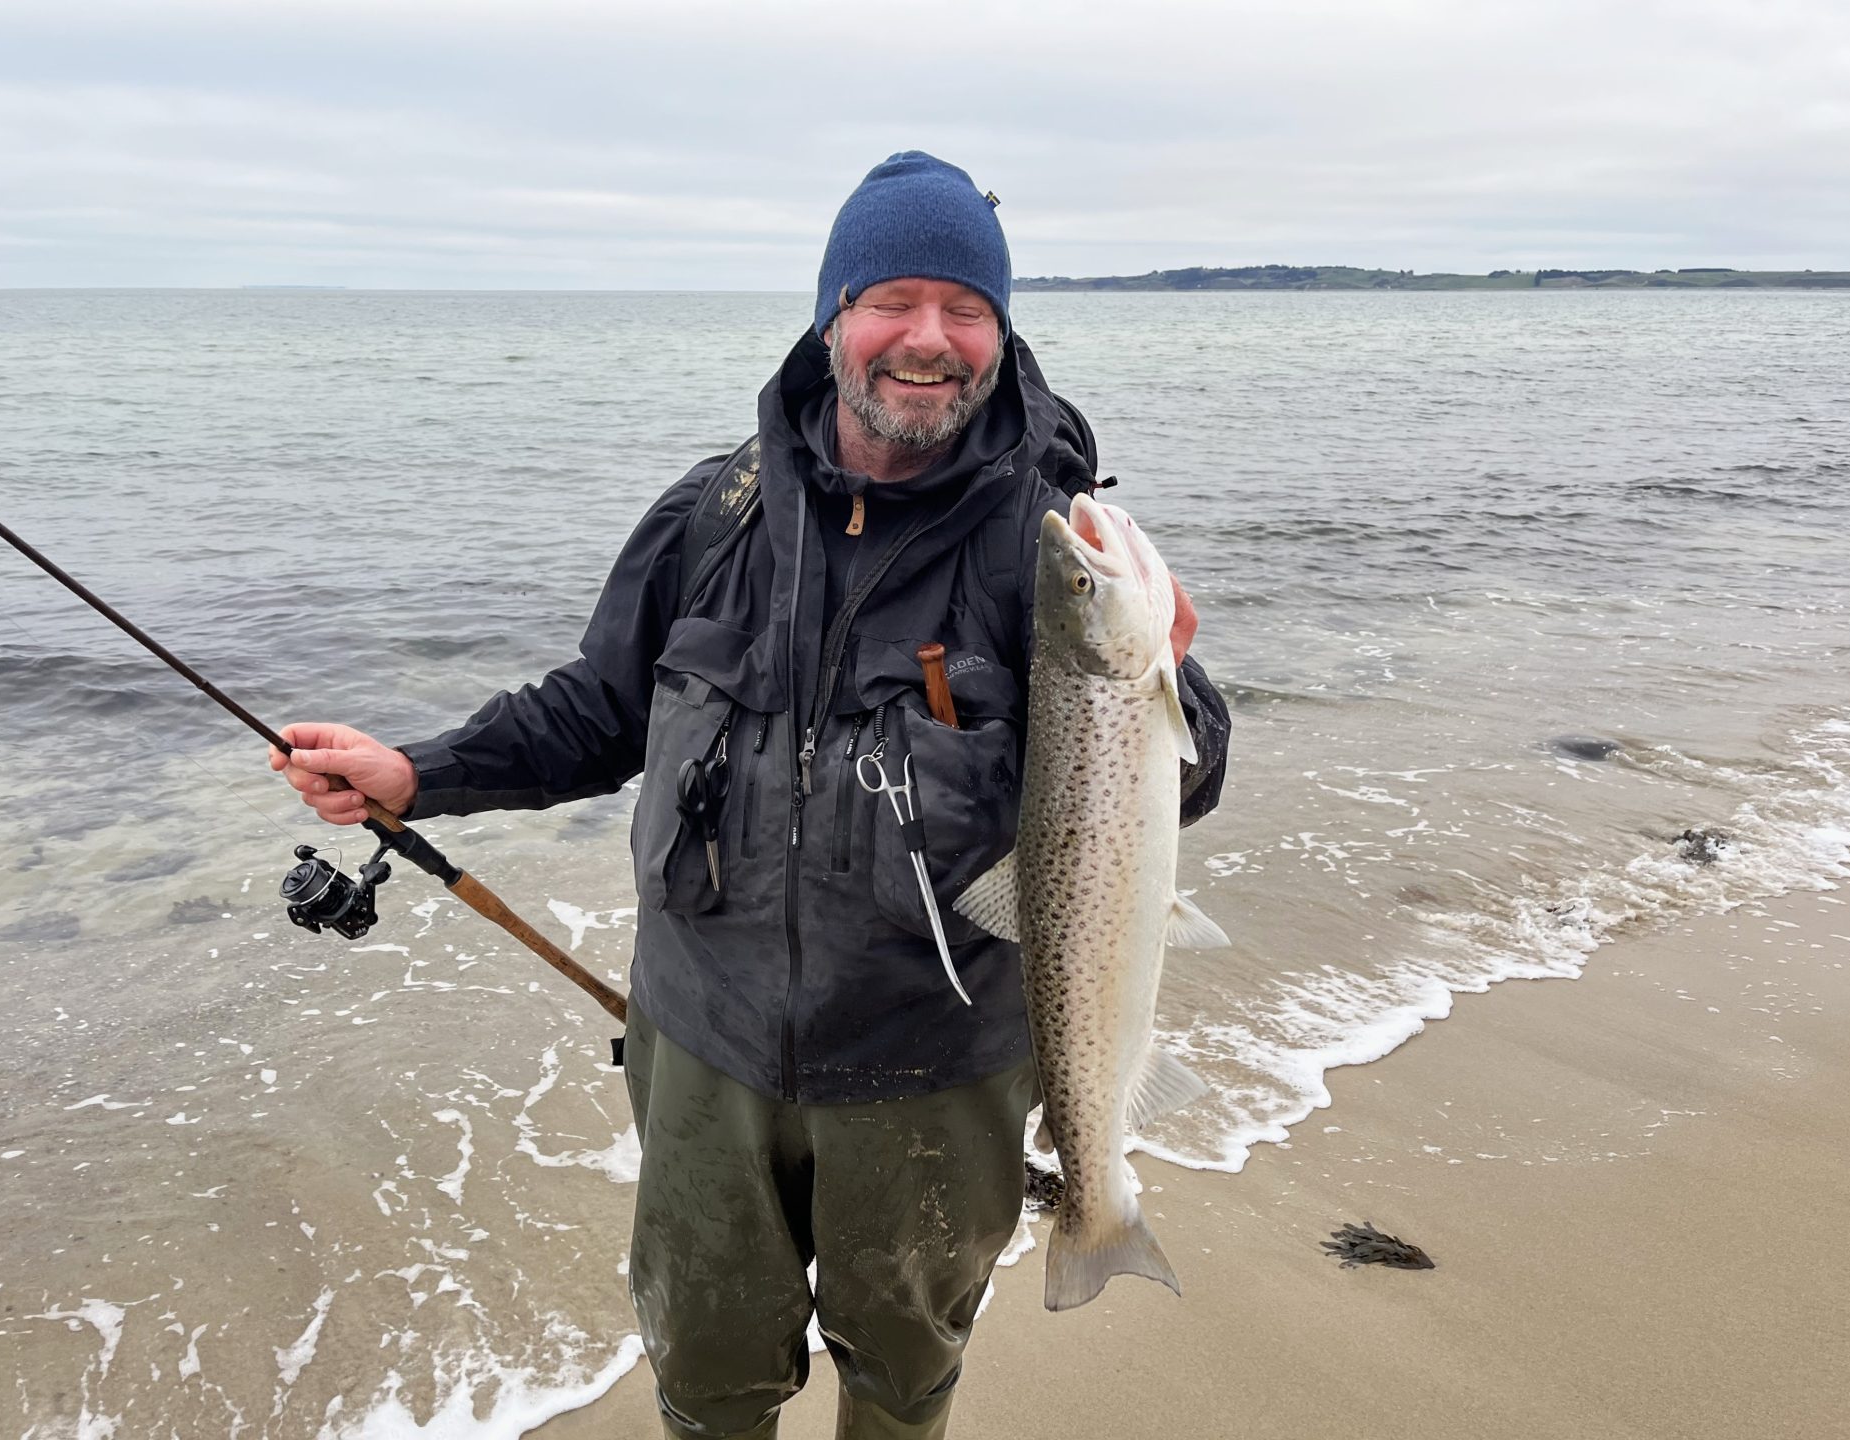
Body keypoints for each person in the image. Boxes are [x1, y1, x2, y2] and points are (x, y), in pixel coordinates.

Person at [270, 151, 1231, 1440]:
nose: (929, 341)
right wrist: (418, 774)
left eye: (967, 308)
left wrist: (1169, 681)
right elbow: (599, 712)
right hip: (704, 1049)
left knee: (902, 1377)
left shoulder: (1052, 544)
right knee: (708, 1374)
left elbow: (1190, 765)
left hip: (935, 1070)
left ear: (1002, 331)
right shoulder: (710, 516)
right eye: (894, 300)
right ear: (835, 315)